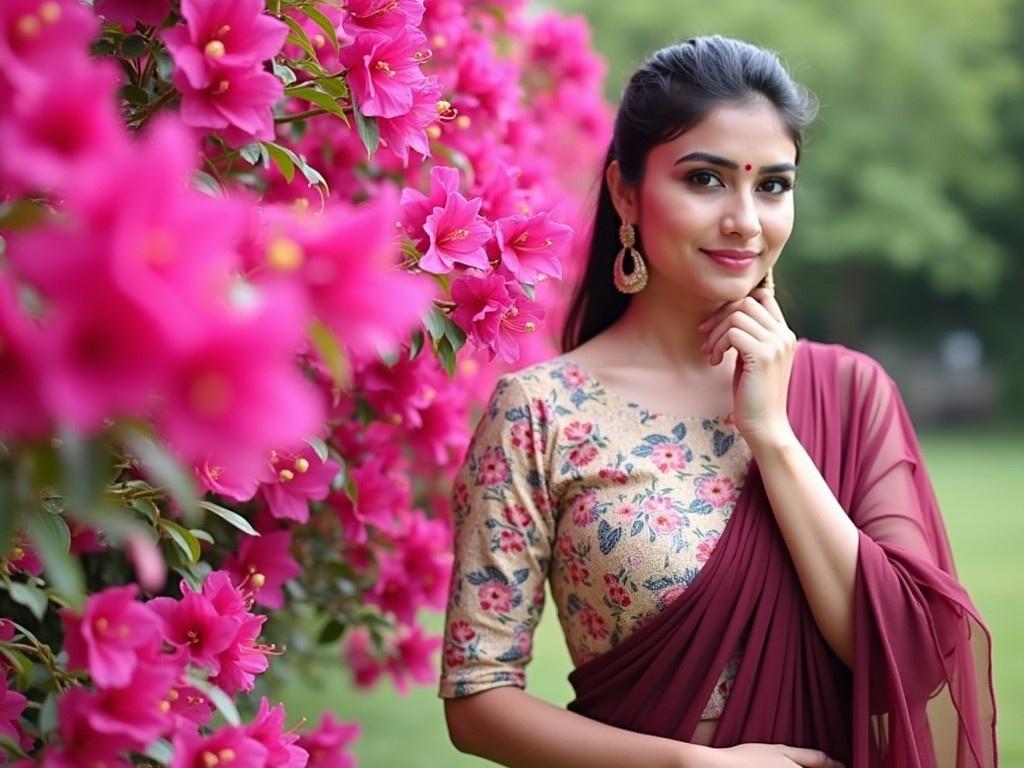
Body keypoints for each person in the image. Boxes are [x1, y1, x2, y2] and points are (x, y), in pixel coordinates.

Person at [438, 35, 997, 768]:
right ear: (625, 192)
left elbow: (913, 655)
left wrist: (772, 436)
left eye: (772, 184)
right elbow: (477, 701)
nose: (745, 221)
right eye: (705, 180)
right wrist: (691, 765)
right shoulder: (542, 411)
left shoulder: (851, 393)